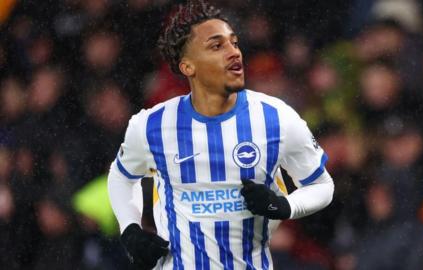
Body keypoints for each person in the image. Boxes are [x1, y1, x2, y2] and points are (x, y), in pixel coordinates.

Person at [107, 1, 334, 269]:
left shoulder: (276, 118)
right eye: (217, 46)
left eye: (234, 43)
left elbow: (322, 186)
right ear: (188, 66)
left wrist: (283, 206)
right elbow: (121, 176)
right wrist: (130, 229)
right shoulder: (151, 125)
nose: (234, 53)